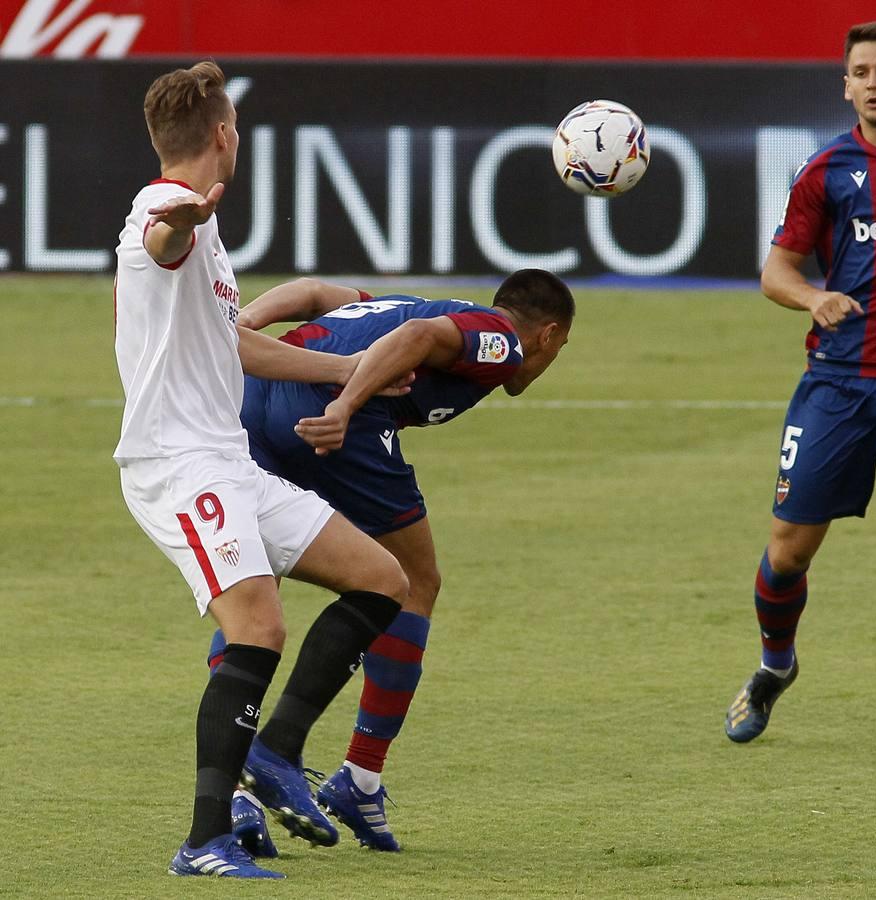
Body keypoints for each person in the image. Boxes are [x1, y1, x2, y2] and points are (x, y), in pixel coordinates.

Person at [114, 61, 410, 879]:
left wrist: (348, 375)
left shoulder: (205, 233)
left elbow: (235, 344)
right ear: (220, 134)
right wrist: (182, 215)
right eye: (234, 126)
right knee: (259, 626)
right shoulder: (162, 211)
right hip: (178, 467)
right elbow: (158, 238)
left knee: (382, 579)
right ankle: (203, 840)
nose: (236, 137)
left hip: (226, 462)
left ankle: (277, 752)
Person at [205, 268, 574, 852]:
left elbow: (310, 291)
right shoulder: (500, 341)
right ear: (550, 335)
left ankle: (238, 797)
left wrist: (244, 324)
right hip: (330, 415)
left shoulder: (399, 301)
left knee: (253, 594)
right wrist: (348, 405)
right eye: (560, 349)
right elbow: (418, 339)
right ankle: (359, 776)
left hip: (255, 400)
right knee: (413, 582)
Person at [724, 21, 876, 753]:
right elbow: (777, 271)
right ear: (845, 84)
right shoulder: (828, 170)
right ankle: (776, 664)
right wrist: (813, 299)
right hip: (838, 386)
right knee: (788, 553)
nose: (872, 81)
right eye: (860, 70)